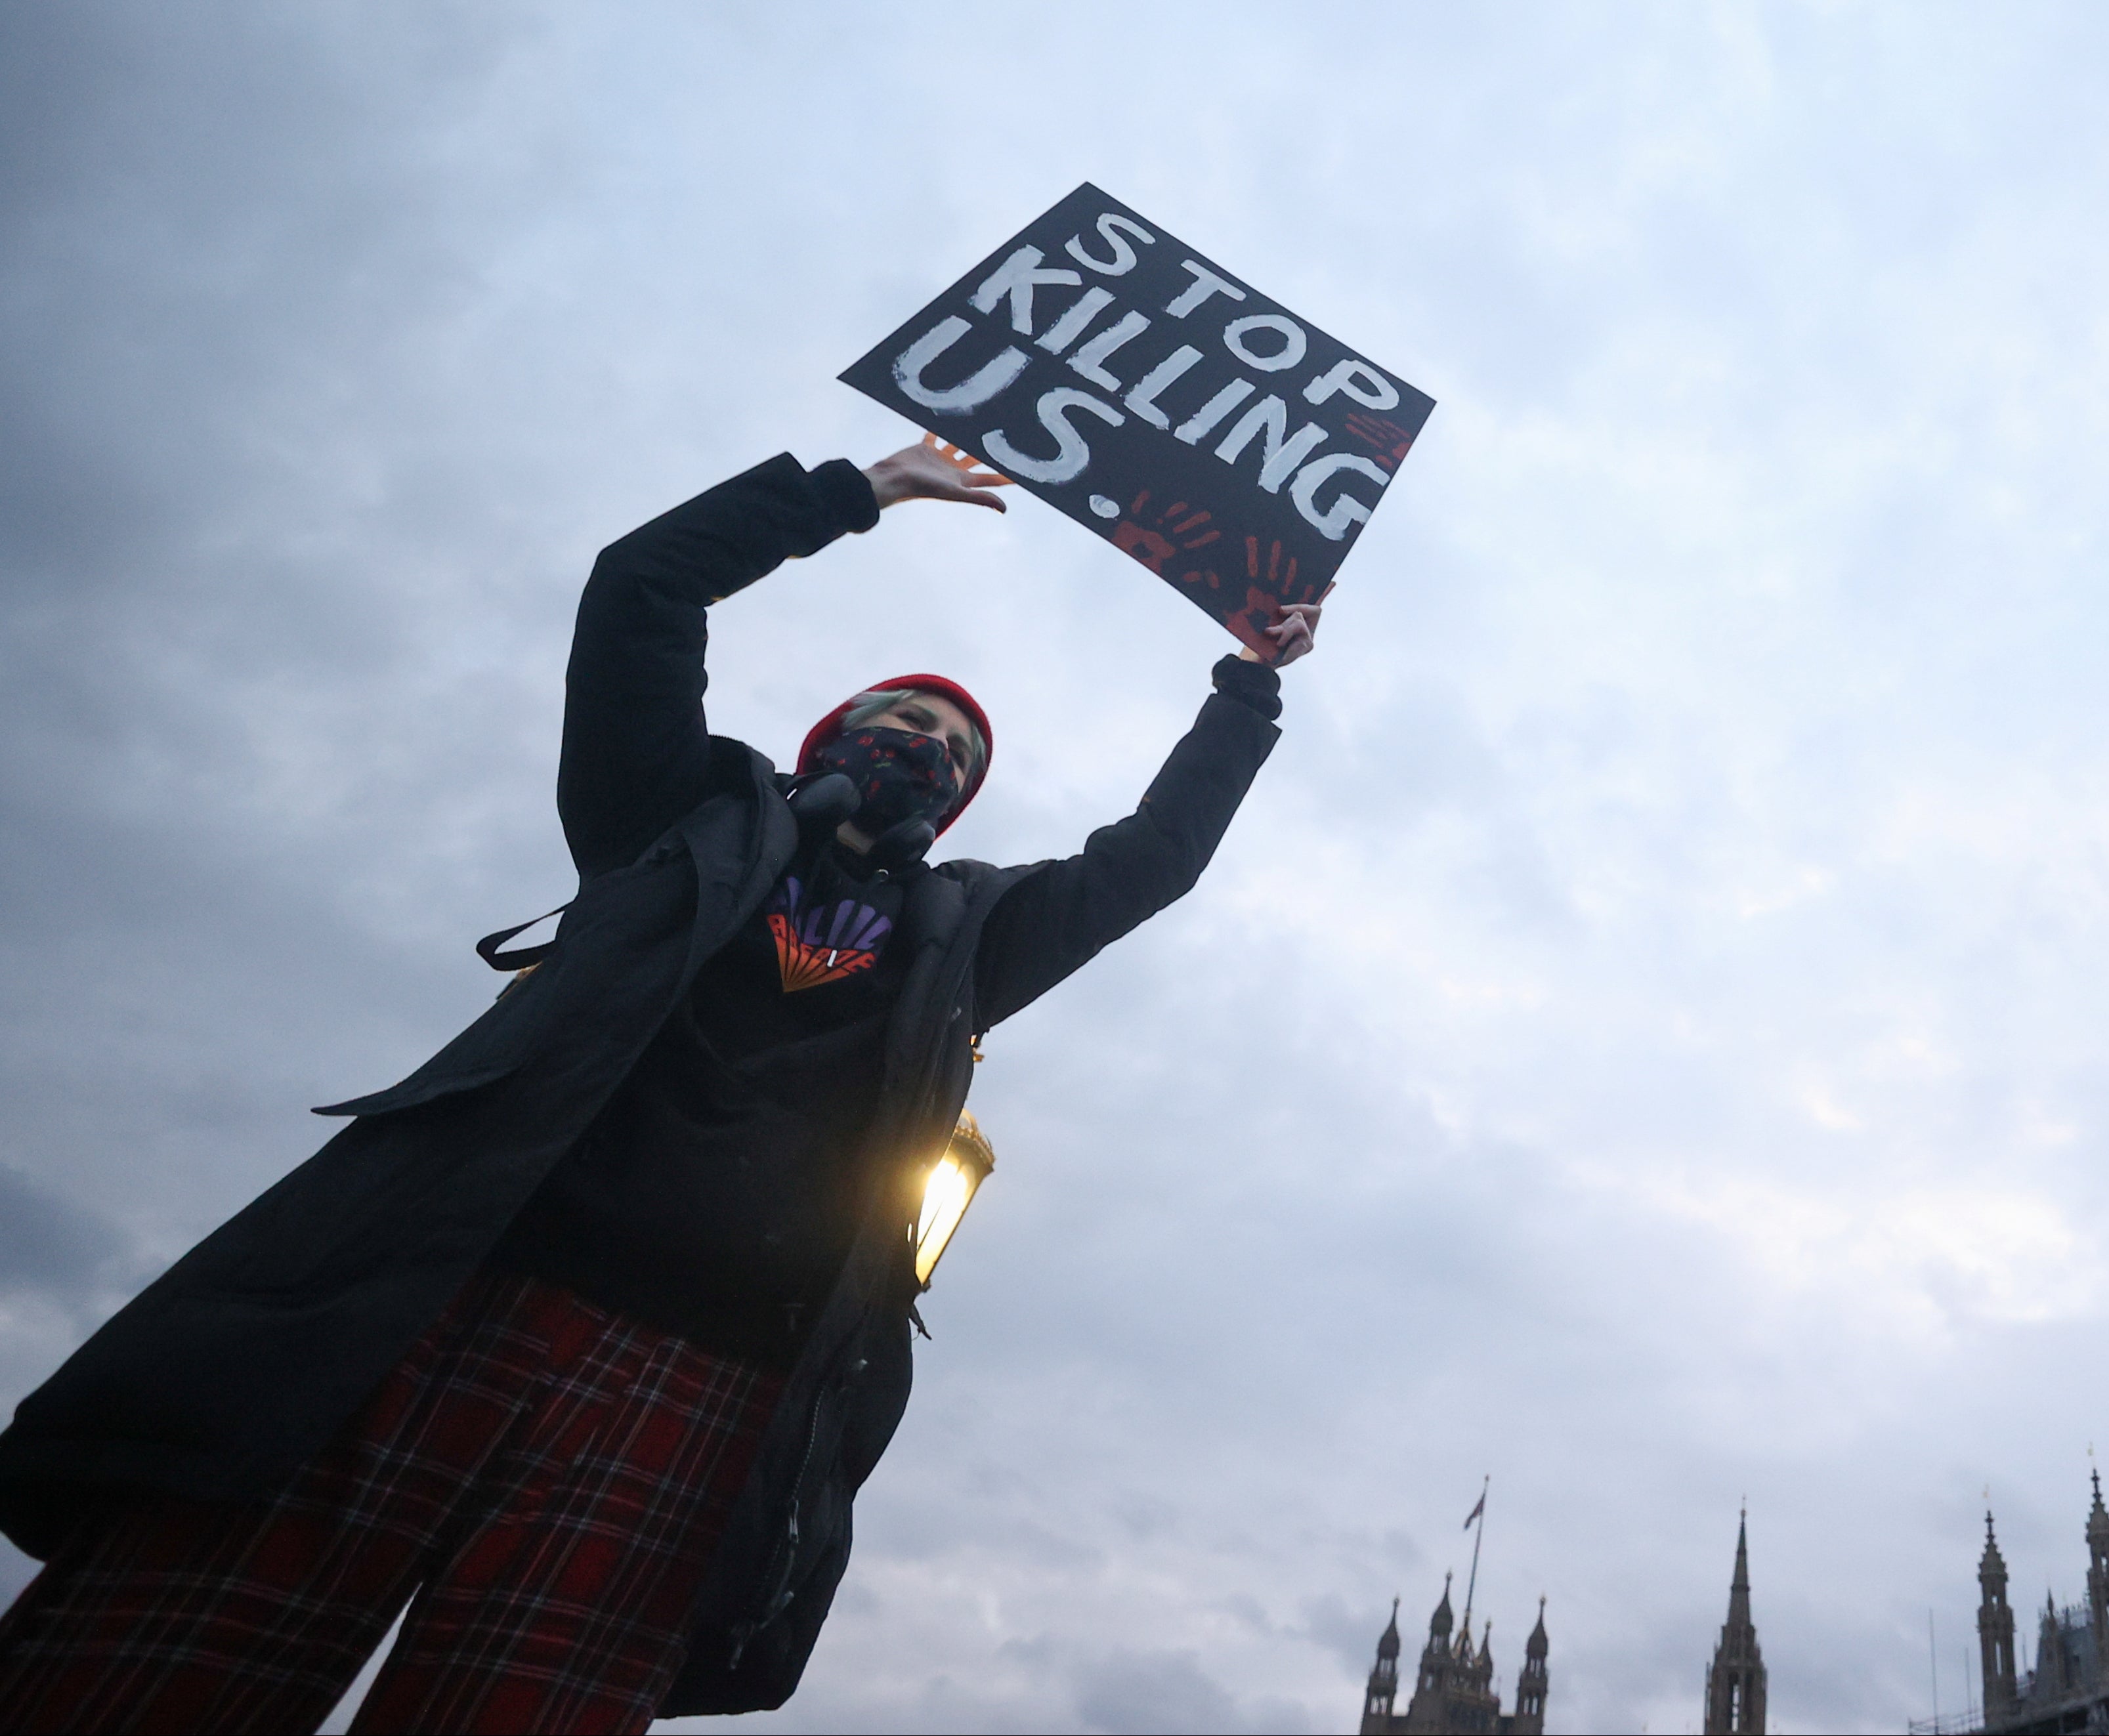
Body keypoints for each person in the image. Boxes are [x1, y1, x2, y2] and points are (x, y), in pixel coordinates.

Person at [0, 436, 1318, 1733]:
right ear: (833, 740)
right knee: (163, 1664)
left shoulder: (967, 940)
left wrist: (1246, 686)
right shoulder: (669, 820)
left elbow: (1150, 860)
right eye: (906, 720)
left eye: (956, 756)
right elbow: (640, 590)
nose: (929, 747)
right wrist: (853, 492)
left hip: (705, 1378)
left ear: (955, 811)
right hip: (448, 1297)